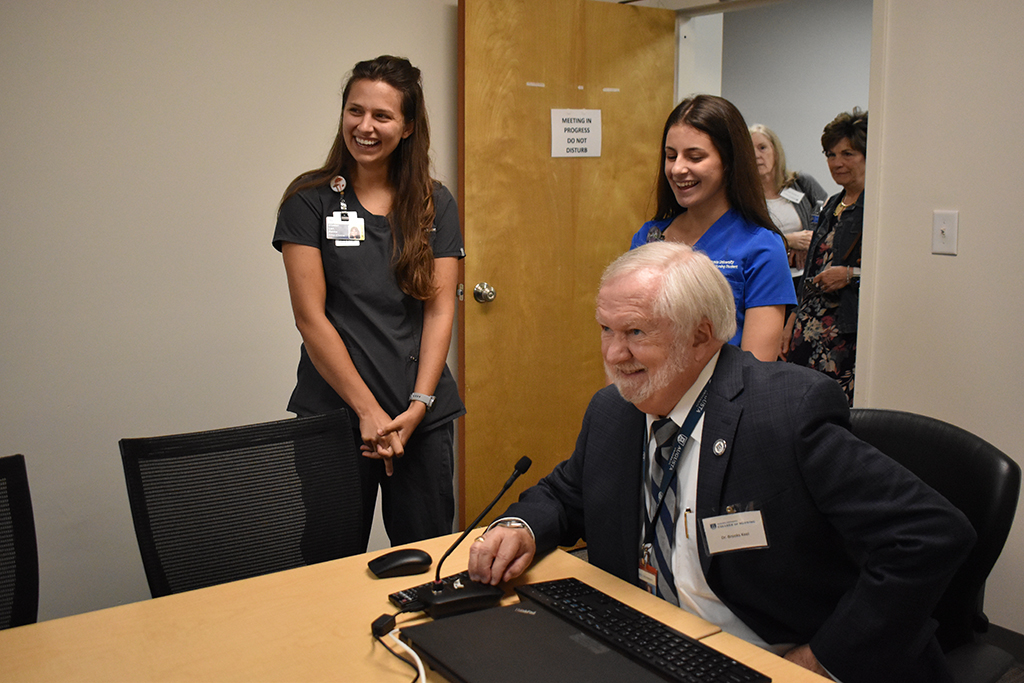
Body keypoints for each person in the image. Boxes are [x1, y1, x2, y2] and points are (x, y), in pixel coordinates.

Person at [469, 242, 974, 683]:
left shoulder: (785, 413)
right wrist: (520, 527)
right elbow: (565, 494)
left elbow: (929, 535)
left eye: (637, 333)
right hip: (658, 643)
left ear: (701, 334)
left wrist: (823, 659)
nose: (615, 354)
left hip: (771, 655)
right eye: (606, 329)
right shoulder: (613, 411)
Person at [273, 55, 465, 548]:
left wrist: (420, 404)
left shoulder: (434, 203)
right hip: (337, 416)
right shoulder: (309, 200)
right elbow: (310, 318)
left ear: (407, 127)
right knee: (329, 560)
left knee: (426, 556)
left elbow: (440, 309)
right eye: (355, 111)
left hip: (417, 416)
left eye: (382, 116)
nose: (365, 126)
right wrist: (366, 411)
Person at [629, 95, 795, 362]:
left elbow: (755, 368)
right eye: (671, 156)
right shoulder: (648, 238)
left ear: (729, 162)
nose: (678, 168)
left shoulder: (762, 247)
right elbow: (625, 337)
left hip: (721, 400)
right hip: (650, 396)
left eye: (695, 157)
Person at [784, 109, 868, 404]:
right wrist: (792, 318)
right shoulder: (832, 204)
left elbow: (892, 272)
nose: (837, 163)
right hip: (808, 327)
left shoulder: (879, 206)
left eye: (848, 153)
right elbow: (811, 268)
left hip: (845, 333)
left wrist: (849, 275)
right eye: (831, 155)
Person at [749, 123, 828, 279]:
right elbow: (746, 240)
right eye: (750, 150)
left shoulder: (801, 183)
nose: (757, 155)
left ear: (776, 152)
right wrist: (788, 241)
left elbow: (825, 213)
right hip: (765, 277)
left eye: (762, 148)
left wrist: (808, 240)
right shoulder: (743, 195)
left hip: (804, 275)